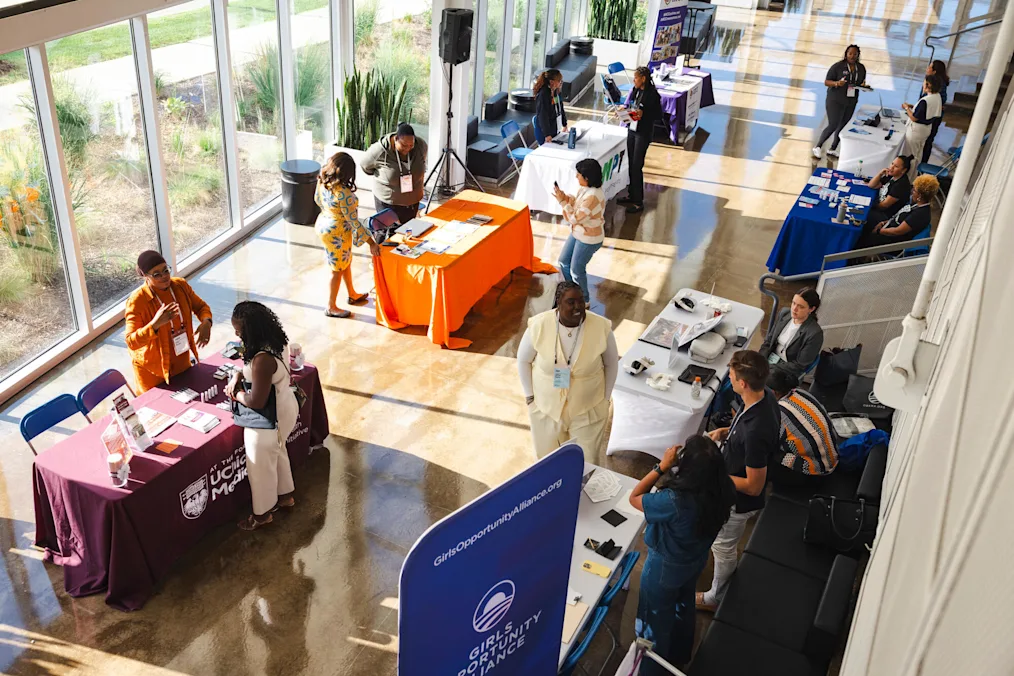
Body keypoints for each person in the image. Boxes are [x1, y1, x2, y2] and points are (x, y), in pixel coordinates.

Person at [630, 436, 736, 673]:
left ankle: (651, 670)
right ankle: (678, 654)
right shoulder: (724, 488)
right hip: (695, 559)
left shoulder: (675, 500)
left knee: (652, 622)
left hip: (663, 568)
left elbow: (635, 498)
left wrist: (661, 467)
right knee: (683, 605)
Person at [696, 350, 780, 612]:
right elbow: (743, 424)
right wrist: (726, 432)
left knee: (723, 547)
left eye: (731, 376)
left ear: (743, 383)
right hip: (729, 480)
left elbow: (754, 486)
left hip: (738, 502)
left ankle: (715, 597)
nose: (729, 380)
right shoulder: (763, 396)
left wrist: (716, 476)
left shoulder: (756, 432)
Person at [517, 281, 618, 461]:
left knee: (585, 462)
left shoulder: (602, 328)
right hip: (546, 409)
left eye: (581, 301)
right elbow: (523, 360)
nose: (578, 307)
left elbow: (611, 364)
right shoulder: (539, 325)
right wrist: (530, 397)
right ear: (558, 303)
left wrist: (605, 399)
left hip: (588, 409)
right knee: (548, 463)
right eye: (571, 302)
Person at [226, 301, 299, 532]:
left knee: (259, 470)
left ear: (252, 330)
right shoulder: (276, 341)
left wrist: (236, 393)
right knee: (279, 451)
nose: (237, 335)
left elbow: (256, 402)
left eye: (240, 331)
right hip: (286, 407)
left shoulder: (261, 360)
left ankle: (262, 515)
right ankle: (286, 496)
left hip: (268, 420)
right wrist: (239, 373)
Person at [124, 250, 213, 393]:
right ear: (145, 276)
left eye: (166, 270)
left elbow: (201, 307)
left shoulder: (180, 286)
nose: (164, 276)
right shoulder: (137, 301)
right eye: (156, 274)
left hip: (181, 361)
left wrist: (207, 322)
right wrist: (155, 325)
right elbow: (131, 341)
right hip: (153, 372)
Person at [315, 152, 382, 319]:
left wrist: (331, 213)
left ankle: (352, 293)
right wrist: (371, 243)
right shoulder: (344, 193)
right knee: (336, 269)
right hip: (337, 232)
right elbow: (354, 222)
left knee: (345, 261)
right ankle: (331, 307)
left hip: (323, 223)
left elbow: (317, 200)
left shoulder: (323, 181)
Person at [766, 369, 838, 488]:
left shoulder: (780, 413)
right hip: (830, 458)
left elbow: (769, 442)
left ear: (773, 393)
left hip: (815, 473)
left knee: (764, 455)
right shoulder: (800, 393)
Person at [552, 158, 605, 305]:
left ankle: (583, 300)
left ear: (587, 178)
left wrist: (562, 202)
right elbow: (577, 203)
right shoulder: (586, 189)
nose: (576, 176)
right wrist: (566, 198)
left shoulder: (594, 196)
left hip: (589, 238)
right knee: (563, 261)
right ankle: (572, 291)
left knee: (577, 270)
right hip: (579, 233)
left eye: (579, 174)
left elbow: (576, 218)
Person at [360, 123, 428, 224]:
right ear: (396, 139)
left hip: (412, 203)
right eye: (404, 145)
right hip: (388, 203)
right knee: (386, 234)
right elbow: (365, 166)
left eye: (411, 145)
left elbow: (421, 161)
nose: (407, 149)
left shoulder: (421, 146)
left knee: (407, 232)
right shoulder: (379, 150)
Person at [617, 66, 662, 214]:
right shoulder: (636, 90)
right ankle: (632, 194)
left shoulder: (652, 94)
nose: (634, 80)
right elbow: (630, 105)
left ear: (643, 79)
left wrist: (644, 113)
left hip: (643, 133)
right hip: (632, 129)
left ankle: (638, 202)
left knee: (637, 166)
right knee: (631, 163)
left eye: (636, 78)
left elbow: (658, 115)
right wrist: (624, 111)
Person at [813, 45, 867, 159]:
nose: (852, 56)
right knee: (833, 124)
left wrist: (863, 86)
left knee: (842, 125)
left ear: (858, 55)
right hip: (835, 100)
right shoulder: (837, 66)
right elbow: (827, 82)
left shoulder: (861, 68)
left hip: (851, 101)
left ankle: (832, 149)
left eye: (855, 54)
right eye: (850, 53)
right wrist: (837, 83)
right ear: (846, 54)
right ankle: (818, 146)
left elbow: (860, 82)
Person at [758, 288, 824, 382]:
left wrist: (768, 367)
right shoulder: (784, 313)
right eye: (793, 303)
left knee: (756, 380)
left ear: (811, 309)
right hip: (771, 359)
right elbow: (768, 341)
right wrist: (761, 360)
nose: (794, 309)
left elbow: (799, 366)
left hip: (787, 370)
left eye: (801, 307)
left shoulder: (814, 333)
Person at [856, 174, 938, 248]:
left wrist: (879, 231)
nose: (912, 191)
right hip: (888, 228)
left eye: (914, 190)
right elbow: (898, 218)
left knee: (861, 231)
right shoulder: (917, 205)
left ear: (920, 195)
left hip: (892, 241)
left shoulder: (920, 214)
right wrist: (883, 223)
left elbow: (897, 231)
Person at [902, 75, 943, 181]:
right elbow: (926, 111)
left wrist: (907, 108)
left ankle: (907, 178)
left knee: (910, 155)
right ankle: (914, 177)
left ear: (928, 85)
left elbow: (914, 118)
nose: (922, 85)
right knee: (918, 154)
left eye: (924, 83)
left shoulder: (925, 100)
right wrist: (913, 107)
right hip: (926, 129)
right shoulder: (937, 96)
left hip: (916, 131)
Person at [864, 155, 912, 226]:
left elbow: (884, 206)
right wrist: (880, 174)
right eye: (892, 163)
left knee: (862, 213)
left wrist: (868, 206)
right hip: (879, 207)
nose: (891, 167)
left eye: (896, 166)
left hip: (885, 216)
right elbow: (871, 185)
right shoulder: (892, 176)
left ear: (903, 170)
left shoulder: (901, 185)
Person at [923, 60, 949, 164]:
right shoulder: (935, 81)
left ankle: (922, 164)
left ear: (934, 71)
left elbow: (934, 100)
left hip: (932, 117)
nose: (927, 68)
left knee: (928, 141)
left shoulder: (937, 84)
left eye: (929, 67)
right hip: (933, 114)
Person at [534, 68, 567, 144]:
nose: (561, 83)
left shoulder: (555, 91)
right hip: (544, 132)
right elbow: (543, 116)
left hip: (554, 128)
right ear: (552, 82)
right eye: (559, 81)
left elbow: (560, 108)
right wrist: (547, 134)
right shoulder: (543, 94)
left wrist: (564, 123)